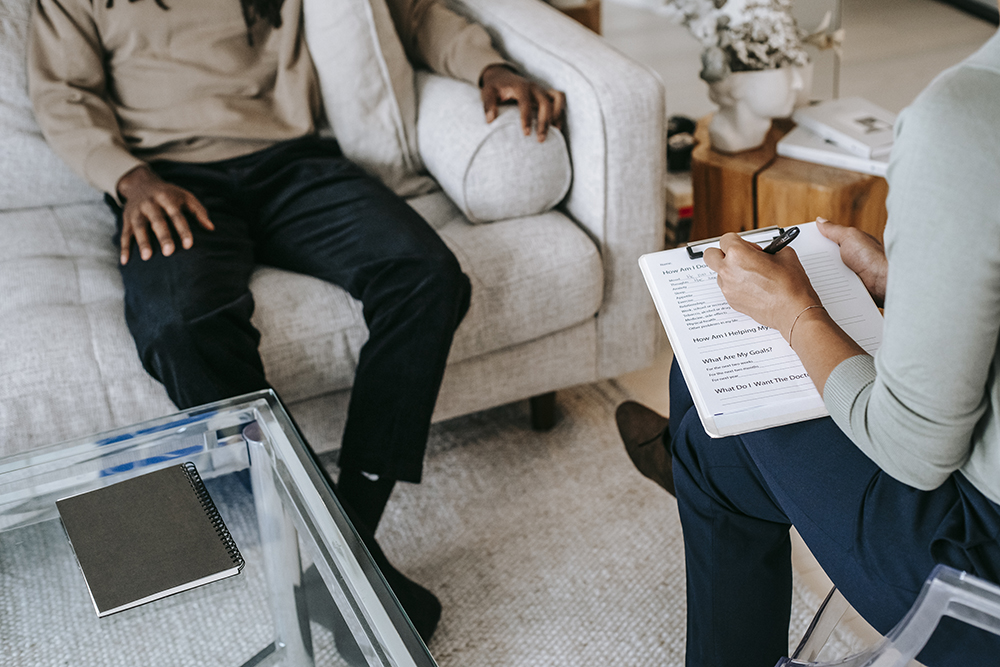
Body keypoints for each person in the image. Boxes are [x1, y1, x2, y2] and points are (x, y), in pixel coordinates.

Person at [28, 0, 564, 641]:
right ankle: (341, 554)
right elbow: (64, 94)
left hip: (295, 162)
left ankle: (341, 541)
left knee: (426, 278)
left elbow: (415, 15)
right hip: (165, 178)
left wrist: (489, 64)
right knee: (179, 327)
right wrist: (130, 180)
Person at [616, 17, 1000, 667]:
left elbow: (915, 446)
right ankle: (709, 472)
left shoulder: (967, 117)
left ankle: (702, 471)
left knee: (710, 402)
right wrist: (913, 281)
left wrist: (794, 311)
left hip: (975, 573)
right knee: (719, 432)